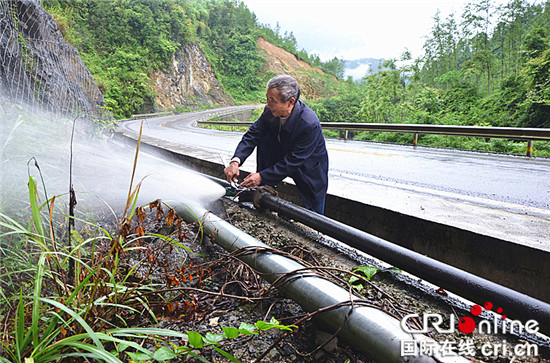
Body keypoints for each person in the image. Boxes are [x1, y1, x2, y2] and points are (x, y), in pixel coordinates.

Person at [224, 75, 329, 214]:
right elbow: (253, 134)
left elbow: (293, 161)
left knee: (314, 209)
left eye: (272, 100)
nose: (268, 104)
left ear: (291, 102)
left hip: (307, 166)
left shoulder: (309, 124)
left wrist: (261, 176)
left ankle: (318, 231)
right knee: (264, 139)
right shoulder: (270, 111)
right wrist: (235, 161)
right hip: (282, 154)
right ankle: (263, 201)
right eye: (267, 99)